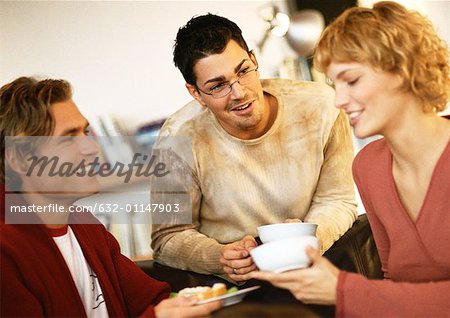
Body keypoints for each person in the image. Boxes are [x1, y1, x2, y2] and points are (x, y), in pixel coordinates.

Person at [251, 1, 450, 316]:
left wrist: (343, 290)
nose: (340, 100)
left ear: (401, 68)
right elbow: (392, 285)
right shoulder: (369, 166)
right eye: (334, 84)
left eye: (352, 80)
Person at [150, 13, 357, 282]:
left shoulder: (322, 107)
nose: (240, 93)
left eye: (244, 71)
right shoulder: (175, 139)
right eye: (218, 86)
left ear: (254, 60)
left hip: (317, 268)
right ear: (195, 93)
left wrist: (309, 237)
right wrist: (219, 256)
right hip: (234, 285)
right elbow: (167, 238)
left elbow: (337, 200)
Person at [0, 77, 221, 317]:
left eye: (85, 132)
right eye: (68, 137)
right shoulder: (5, 251)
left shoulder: (85, 224)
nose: (91, 148)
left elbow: (150, 299)